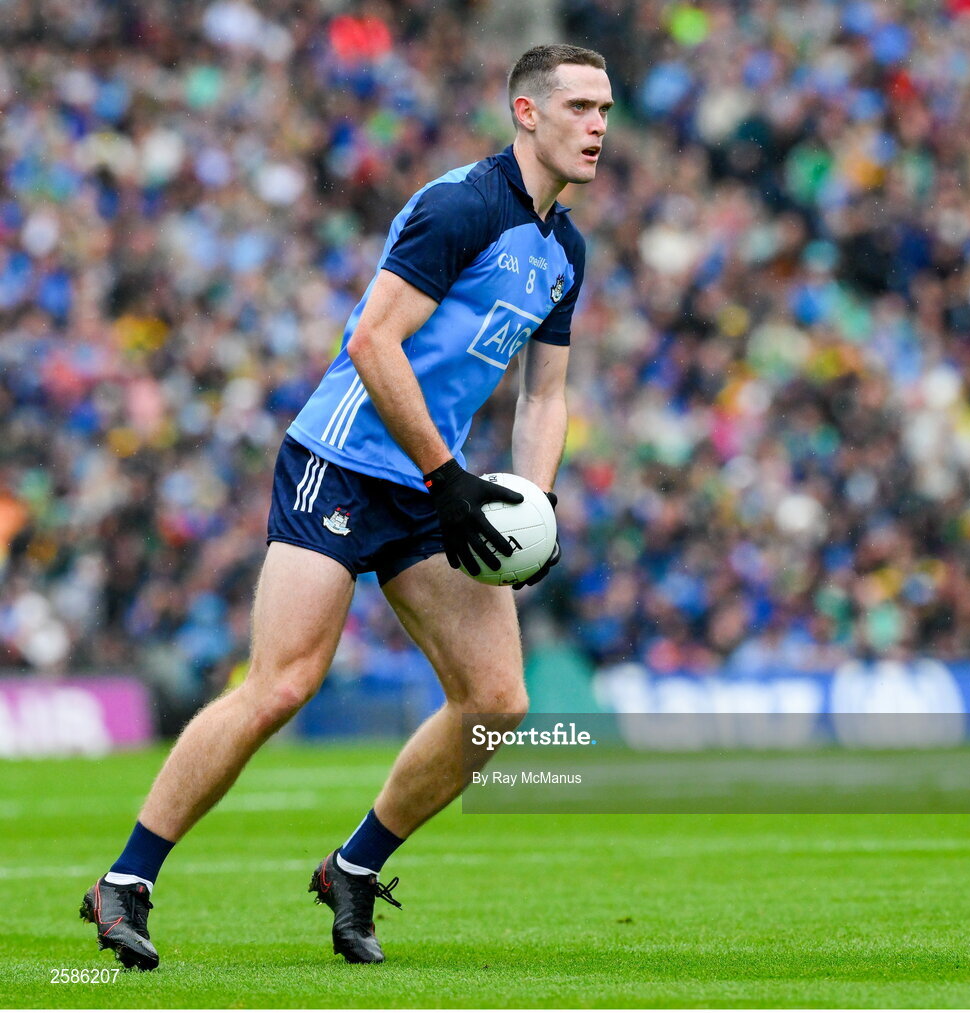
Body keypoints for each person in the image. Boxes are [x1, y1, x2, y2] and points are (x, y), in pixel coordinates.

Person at [79, 43, 612, 969]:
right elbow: (372, 342)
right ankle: (125, 880)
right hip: (343, 461)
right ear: (527, 113)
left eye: (606, 108)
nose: (599, 126)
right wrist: (451, 478)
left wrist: (540, 501)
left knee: (496, 702)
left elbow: (543, 395)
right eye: (579, 107)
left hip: (436, 482)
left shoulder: (564, 249)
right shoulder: (460, 206)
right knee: (283, 682)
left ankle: (355, 867)